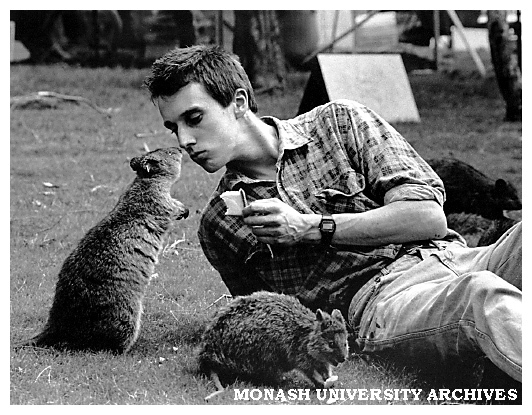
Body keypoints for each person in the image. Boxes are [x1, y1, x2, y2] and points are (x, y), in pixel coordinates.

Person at [143, 45, 521, 386]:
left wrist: (309, 227)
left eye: (194, 118)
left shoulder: (340, 123)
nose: (183, 140)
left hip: (454, 255)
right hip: (382, 302)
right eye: (173, 127)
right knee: (483, 296)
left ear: (238, 102)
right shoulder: (220, 223)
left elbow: (428, 218)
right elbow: (272, 318)